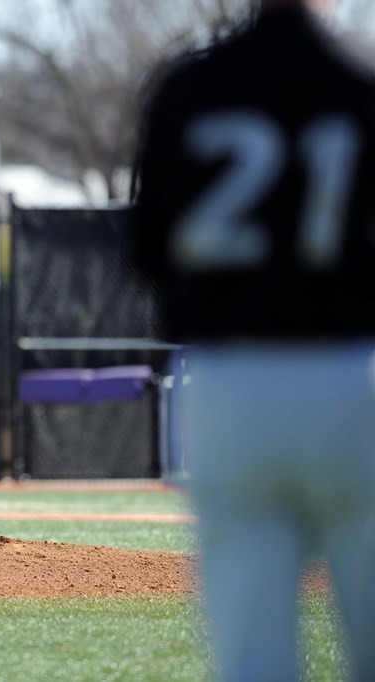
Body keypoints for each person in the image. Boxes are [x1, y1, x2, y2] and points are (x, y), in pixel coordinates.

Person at [132, 0, 375, 680]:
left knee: (252, 658)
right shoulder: (359, 89)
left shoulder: (188, 89)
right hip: (352, 375)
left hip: (230, 382)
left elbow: (147, 249)